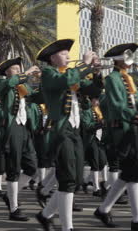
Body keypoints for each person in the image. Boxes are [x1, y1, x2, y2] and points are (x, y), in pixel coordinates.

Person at [35, 39, 102, 231]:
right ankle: (67, 227)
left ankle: (45, 215)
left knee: (76, 178)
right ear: (53, 58)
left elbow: (94, 90)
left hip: (74, 129)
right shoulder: (48, 74)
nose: (69, 57)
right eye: (64, 54)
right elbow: (65, 81)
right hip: (59, 129)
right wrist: (84, 64)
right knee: (67, 179)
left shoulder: (71, 74)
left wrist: (96, 71)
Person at [92, 43, 138, 231]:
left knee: (129, 174)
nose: (130, 61)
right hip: (121, 131)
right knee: (132, 173)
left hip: (132, 129)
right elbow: (119, 107)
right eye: (126, 58)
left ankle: (104, 210)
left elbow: (134, 103)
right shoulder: (113, 79)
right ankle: (137, 220)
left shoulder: (126, 78)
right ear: (117, 60)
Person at [0, 57, 39, 221]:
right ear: (7, 72)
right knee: (13, 169)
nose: (19, 70)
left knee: (31, 167)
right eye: (15, 68)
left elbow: (35, 96)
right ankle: (14, 208)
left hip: (24, 128)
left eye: (19, 68)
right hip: (11, 127)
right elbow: (9, 83)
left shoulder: (23, 86)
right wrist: (27, 73)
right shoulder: (3, 84)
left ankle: (9, 195)